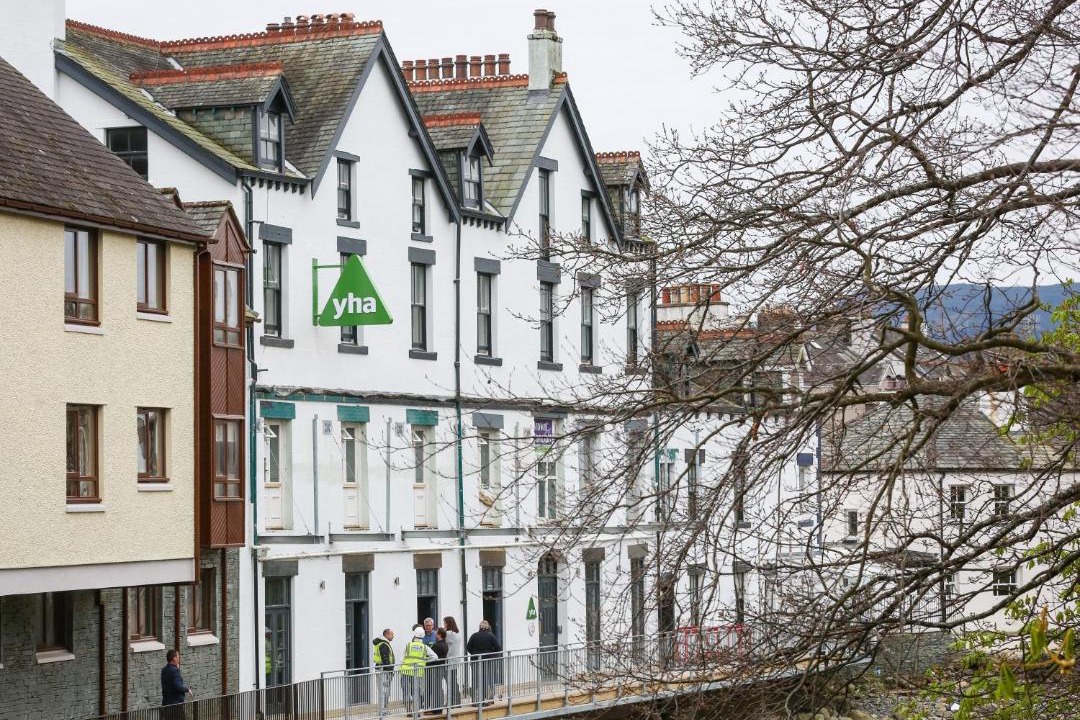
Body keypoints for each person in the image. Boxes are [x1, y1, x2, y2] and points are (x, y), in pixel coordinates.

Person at [400, 626, 437, 713]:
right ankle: (416, 711)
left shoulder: (408, 645)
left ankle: (408, 710)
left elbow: (400, 659)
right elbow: (435, 657)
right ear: (423, 636)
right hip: (418, 673)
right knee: (416, 692)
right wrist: (425, 660)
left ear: (414, 635)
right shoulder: (425, 647)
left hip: (405, 671)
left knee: (406, 692)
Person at [466, 620, 501, 705]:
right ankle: (489, 699)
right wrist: (491, 652)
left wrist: (474, 653)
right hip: (488, 661)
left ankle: (476, 700)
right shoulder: (491, 636)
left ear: (480, 627)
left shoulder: (474, 636)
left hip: (475, 660)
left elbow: (468, 647)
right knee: (488, 679)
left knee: (476, 680)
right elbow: (498, 647)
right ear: (488, 627)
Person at [161, 649, 192, 718]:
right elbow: (177, 686)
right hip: (175, 705)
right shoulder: (175, 671)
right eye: (178, 657)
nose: (179, 659)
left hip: (166, 703)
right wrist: (187, 689)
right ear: (174, 658)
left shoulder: (164, 670)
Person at [426, 628, 449, 714]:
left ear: (439, 635)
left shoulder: (437, 646)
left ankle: (436, 710)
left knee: (436, 689)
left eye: (436, 634)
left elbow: (430, 657)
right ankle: (438, 709)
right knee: (438, 688)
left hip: (435, 669)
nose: (435, 635)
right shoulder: (445, 644)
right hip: (440, 668)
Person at [373, 628, 396, 714]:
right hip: (383, 670)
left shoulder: (382, 643)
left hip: (382, 669)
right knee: (384, 691)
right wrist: (390, 670)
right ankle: (382, 710)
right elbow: (385, 659)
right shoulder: (383, 644)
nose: (393, 636)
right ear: (386, 634)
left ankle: (384, 709)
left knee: (384, 691)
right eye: (392, 634)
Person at [443, 616, 463, 707]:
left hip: (450, 660)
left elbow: (441, 636)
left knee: (450, 681)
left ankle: (453, 701)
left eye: (444, 623)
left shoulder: (449, 634)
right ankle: (456, 700)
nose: (444, 625)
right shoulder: (458, 633)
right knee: (453, 680)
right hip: (456, 660)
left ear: (448, 623)